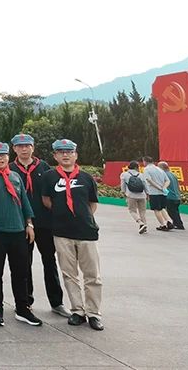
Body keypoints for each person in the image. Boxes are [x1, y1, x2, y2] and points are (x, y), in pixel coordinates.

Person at [0, 142, 41, 327]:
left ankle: (22, 309)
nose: (0, 158)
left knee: (21, 272)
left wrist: (29, 224)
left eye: (3, 155)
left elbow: (24, 201)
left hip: (18, 231)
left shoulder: (14, 176)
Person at [41, 139, 104, 331]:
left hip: (86, 232)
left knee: (92, 275)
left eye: (69, 152)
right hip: (61, 233)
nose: (65, 155)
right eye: (61, 152)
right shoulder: (49, 177)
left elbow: (92, 204)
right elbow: (46, 200)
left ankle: (94, 313)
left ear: (76, 155)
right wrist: (63, 215)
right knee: (69, 274)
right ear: (55, 156)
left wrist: (82, 218)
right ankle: (77, 311)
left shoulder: (86, 178)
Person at [9, 133, 68, 318]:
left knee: (49, 261)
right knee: (23, 263)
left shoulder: (44, 168)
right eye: (20, 146)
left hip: (44, 222)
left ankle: (57, 302)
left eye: (27, 146)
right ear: (14, 149)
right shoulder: (9, 169)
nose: (24, 149)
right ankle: (26, 301)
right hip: (20, 224)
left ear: (33, 147)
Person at [140, 157, 174, 231]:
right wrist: (163, 188)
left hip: (154, 192)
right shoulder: (160, 169)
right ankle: (169, 221)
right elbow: (167, 180)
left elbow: (149, 180)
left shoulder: (146, 169)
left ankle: (163, 225)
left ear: (145, 161)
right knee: (162, 208)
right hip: (163, 193)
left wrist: (158, 187)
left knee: (156, 209)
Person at [120, 161, 149, 233]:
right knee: (142, 211)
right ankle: (144, 226)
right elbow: (145, 185)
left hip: (131, 195)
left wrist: (124, 193)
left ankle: (140, 223)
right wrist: (148, 194)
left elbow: (123, 186)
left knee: (132, 211)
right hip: (142, 195)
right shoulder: (141, 175)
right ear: (136, 167)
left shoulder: (124, 174)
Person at [160, 161, 185, 230]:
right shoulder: (173, 174)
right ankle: (177, 224)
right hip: (176, 196)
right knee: (175, 211)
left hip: (170, 196)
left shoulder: (164, 175)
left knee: (171, 212)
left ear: (161, 168)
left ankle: (178, 225)